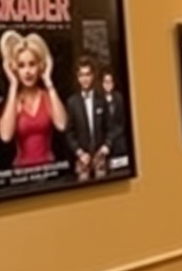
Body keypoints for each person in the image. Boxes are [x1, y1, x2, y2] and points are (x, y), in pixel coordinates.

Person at [0, 29, 68, 168]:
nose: (27, 71)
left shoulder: (47, 96)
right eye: (21, 66)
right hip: (22, 175)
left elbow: (62, 125)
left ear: (39, 66)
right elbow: (5, 136)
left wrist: (48, 81)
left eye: (32, 64)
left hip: (49, 170)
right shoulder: (14, 101)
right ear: (15, 69)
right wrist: (13, 84)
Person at [65, 53, 109, 180]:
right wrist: (79, 153)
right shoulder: (72, 102)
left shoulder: (101, 99)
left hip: (101, 156)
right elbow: (69, 133)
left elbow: (110, 127)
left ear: (93, 76)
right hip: (82, 158)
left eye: (87, 74)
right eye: (81, 75)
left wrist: (106, 146)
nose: (85, 79)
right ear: (77, 77)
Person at [100, 67, 128, 162]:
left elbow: (122, 123)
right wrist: (106, 143)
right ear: (102, 83)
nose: (108, 84)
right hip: (103, 142)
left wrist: (111, 140)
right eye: (105, 82)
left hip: (118, 139)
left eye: (110, 81)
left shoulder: (119, 98)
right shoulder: (98, 100)